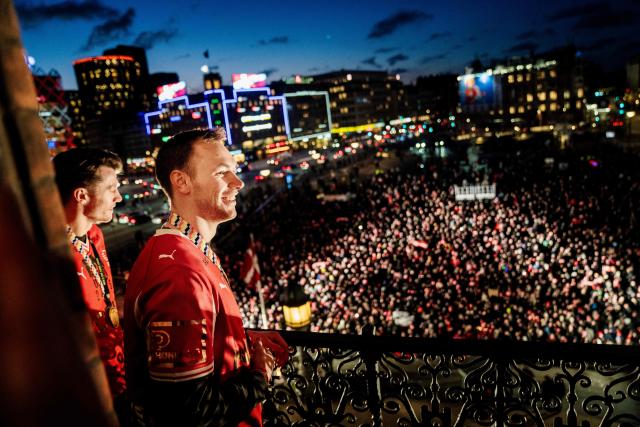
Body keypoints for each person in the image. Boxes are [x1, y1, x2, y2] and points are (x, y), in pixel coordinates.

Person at [124, 128, 288, 427]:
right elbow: (190, 411)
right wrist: (259, 375)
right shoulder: (178, 272)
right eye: (222, 172)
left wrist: (242, 341)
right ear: (181, 181)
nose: (238, 183)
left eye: (235, 172)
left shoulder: (183, 250)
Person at [53, 148, 128, 422]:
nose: (118, 197)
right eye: (111, 188)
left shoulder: (95, 235)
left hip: (118, 377)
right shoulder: (53, 253)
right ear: (81, 195)